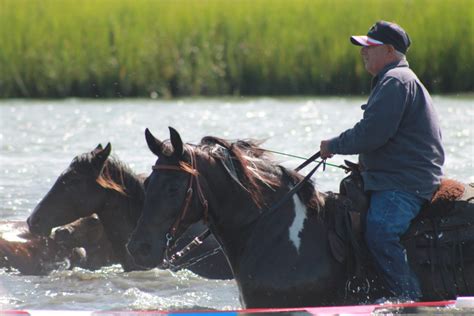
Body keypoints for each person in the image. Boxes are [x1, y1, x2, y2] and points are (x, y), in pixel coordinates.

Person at [320, 21, 445, 302]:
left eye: (370, 47)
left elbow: (372, 134)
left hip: (405, 183)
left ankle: (408, 300)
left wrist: (334, 145)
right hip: (395, 177)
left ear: (389, 50)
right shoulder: (394, 80)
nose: (363, 52)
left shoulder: (396, 81)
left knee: (380, 232)